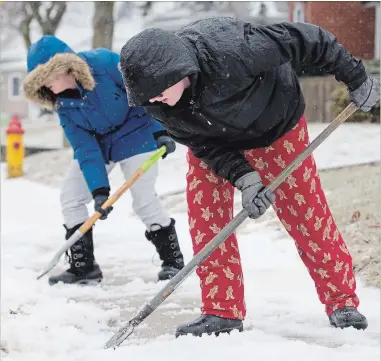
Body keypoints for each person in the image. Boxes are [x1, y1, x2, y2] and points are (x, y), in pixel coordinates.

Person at [119, 18, 380, 337]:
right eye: (147, 98)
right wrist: (244, 177)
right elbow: (202, 145)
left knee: (305, 214)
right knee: (206, 217)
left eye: (157, 93)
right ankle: (221, 310)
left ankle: (342, 302)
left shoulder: (234, 49)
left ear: (178, 71)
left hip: (276, 126)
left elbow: (309, 39)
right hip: (215, 143)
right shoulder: (159, 105)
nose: (153, 102)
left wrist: (355, 78)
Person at [23, 35, 185, 286]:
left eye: (46, 77)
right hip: (101, 146)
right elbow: (85, 149)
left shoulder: (104, 62)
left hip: (136, 132)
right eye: (39, 81)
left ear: (64, 67)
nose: (45, 86)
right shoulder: (62, 105)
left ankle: (172, 261)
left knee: (143, 199)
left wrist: (160, 131)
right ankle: (84, 268)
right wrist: (99, 191)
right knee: (71, 196)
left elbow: (143, 92)